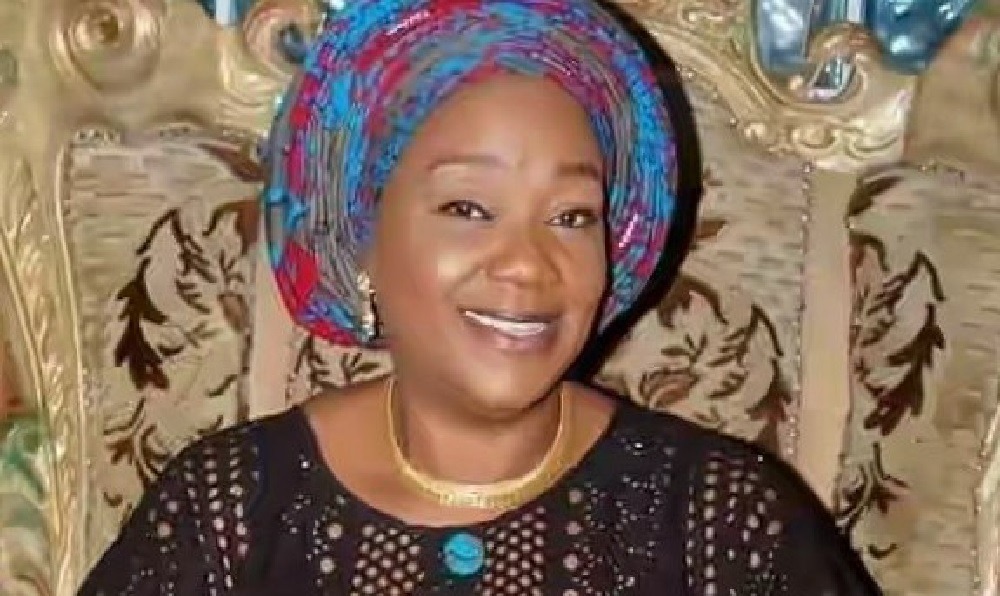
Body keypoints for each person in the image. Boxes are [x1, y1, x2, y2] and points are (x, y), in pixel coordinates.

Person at [78, 0, 883, 593]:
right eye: (468, 209)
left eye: (572, 217)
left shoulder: (722, 521)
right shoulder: (232, 510)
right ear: (364, 233)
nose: (528, 265)